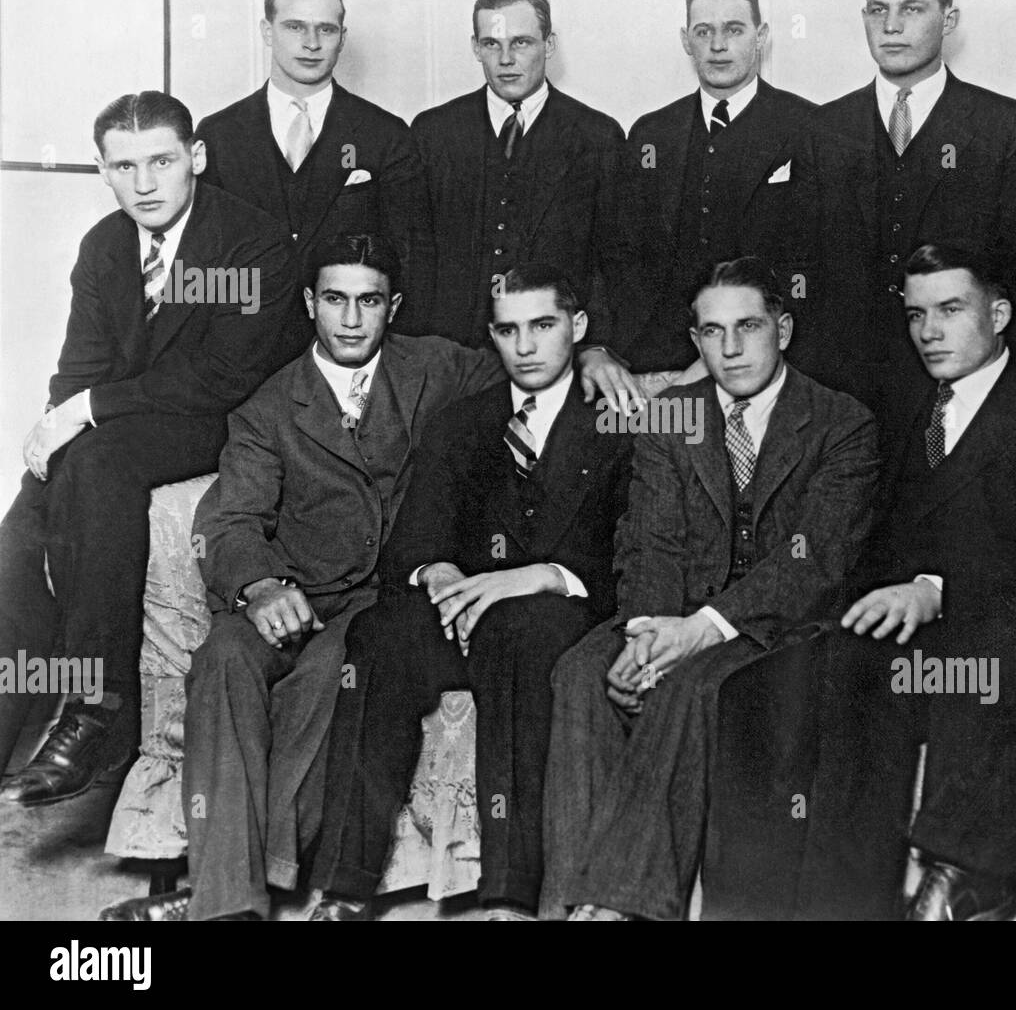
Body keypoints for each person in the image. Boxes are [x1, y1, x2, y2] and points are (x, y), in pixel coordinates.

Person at [96, 234, 505, 921]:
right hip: (292, 587)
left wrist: (596, 363)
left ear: (393, 306)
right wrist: (260, 586)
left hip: (381, 599)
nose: (351, 319)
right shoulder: (268, 406)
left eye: (368, 301)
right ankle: (233, 906)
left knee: (329, 673)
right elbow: (228, 522)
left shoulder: (437, 365)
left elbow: (522, 370)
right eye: (336, 300)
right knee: (221, 658)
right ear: (312, 303)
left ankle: (227, 889)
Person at [705, 244, 1016, 921]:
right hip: (905, 625)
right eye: (915, 314)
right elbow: (878, 533)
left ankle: (965, 873)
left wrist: (936, 588)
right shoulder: (908, 404)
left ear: (999, 313)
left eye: (951, 310)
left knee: (966, 661)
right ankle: (829, 901)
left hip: (998, 623)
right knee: (794, 672)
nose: (929, 330)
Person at [539, 256, 878, 921]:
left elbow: (814, 560)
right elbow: (651, 538)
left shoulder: (842, 422)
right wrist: (646, 632)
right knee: (581, 671)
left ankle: (622, 904)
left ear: (782, 327)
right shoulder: (671, 414)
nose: (731, 347)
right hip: (678, 612)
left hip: (782, 626)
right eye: (712, 331)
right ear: (695, 341)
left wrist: (697, 630)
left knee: (691, 683)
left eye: (748, 326)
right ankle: (566, 902)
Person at [307, 264, 631, 921]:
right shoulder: (462, 423)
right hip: (463, 619)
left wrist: (538, 576)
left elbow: (634, 550)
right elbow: (412, 544)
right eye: (508, 330)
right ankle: (343, 887)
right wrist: (439, 573)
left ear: (579, 327)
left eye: (543, 326)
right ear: (492, 336)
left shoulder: (617, 423)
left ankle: (508, 899)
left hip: (561, 616)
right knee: (378, 634)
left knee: (522, 632)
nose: (527, 346)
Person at [0, 92, 294, 806]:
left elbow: (220, 376)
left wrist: (87, 411)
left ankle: (96, 711)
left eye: (161, 160)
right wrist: (54, 427)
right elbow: (82, 364)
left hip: (222, 419)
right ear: (102, 169)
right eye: (125, 166)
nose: (145, 183)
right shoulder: (106, 244)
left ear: (194, 158)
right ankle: (11, 717)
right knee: (20, 531)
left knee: (96, 462)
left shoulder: (250, 241)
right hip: (127, 424)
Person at [808, 0, 1016, 423]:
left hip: (963, 389)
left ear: (948, 18)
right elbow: (803, 266)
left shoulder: (1002, 125)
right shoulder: (823, 129)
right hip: (841, 389)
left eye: (912, 9)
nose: (892, 26)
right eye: (879, 10)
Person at [407, 0, 632, 368]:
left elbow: (611, 260)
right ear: (476, 47)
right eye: (492, 44)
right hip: (449, 357)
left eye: (522, 42)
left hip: (556, 358)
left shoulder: (598, 136)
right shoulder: (432, 133)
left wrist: (597, 346)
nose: (506, 58)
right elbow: (414, 254)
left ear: (549, 45)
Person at [195, 0, 427, 341]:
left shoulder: (386, 134)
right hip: (240, 345)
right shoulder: (218, 133)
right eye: (294, 27)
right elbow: (202, 261)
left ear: (342, 38)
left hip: (346, 347)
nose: (312, 43)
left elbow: (408, 260)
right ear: (267, 32)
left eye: (326, 30)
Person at [615, 0, 817, 373]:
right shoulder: (651, 134)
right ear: (686, 40)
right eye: (703, 31)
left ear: (761, 36)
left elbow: (814, 264)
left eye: (734, 30)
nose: (718, 45)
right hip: (661, 355)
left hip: (771, 355)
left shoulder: (809, 127)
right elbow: (626, 257)